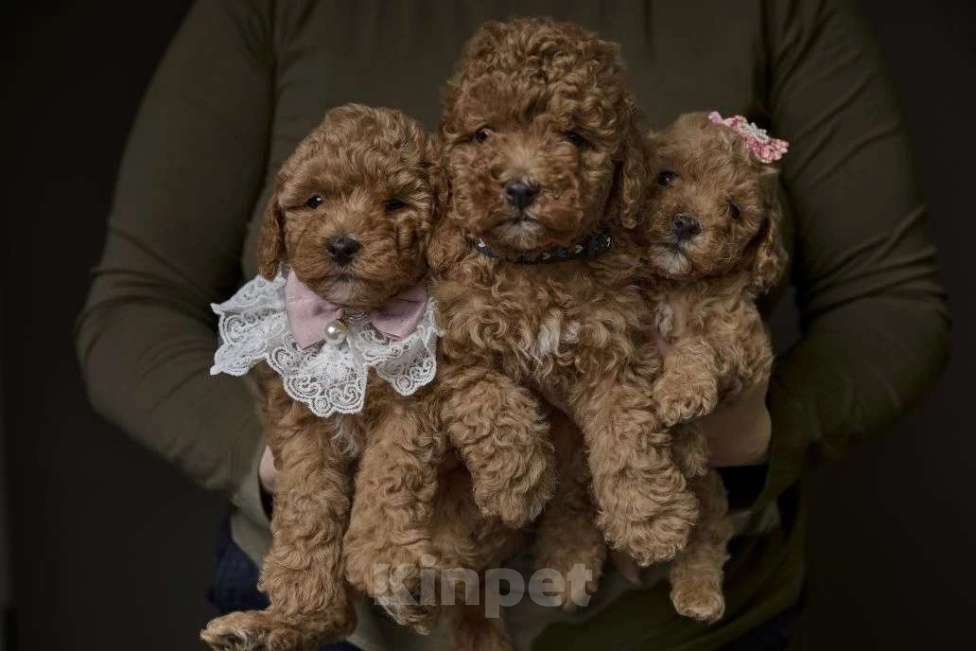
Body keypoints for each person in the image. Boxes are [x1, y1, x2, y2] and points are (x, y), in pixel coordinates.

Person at [75, 1, 949, 649]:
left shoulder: (776, 10)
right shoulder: (274, 10)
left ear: (628, 169)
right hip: (347, 611)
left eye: (577, 141)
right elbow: (133, 303)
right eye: (484, 136)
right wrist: (292, 455)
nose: (524, 170)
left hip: (670, 626)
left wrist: (755, 434)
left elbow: (891, 301)